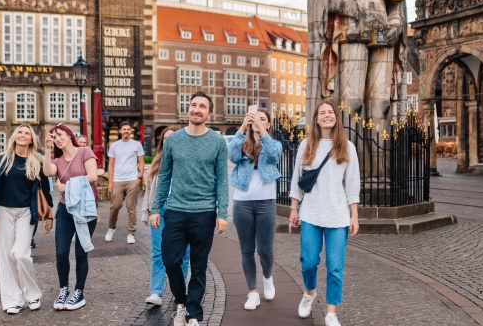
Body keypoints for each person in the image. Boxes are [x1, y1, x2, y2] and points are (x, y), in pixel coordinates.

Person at [150, 91, 229, 326]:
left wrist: (222, 213)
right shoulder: (173, 140)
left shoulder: (217, 141)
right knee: (171, 260)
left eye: (202, 106)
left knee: (198, 265)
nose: (196, 109)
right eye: (193, 105)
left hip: (204, 212)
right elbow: (163, 176)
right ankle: (182, 302)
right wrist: (155, 208)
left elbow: (222, 180)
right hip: (175, 209)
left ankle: (193, 314)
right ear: (188, 109)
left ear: (209, 113)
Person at [289, 101, 360, 326]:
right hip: (310, 213)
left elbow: (352, 184)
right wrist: (293, 207)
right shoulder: (306, 145)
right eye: (322, 113)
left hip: (338, 216)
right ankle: (310, 292)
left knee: (335, 266)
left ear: (336, 118)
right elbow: (296, 179)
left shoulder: (347, 146)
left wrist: (354, 214)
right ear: (316, 119)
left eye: (330, 112)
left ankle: (331, 312)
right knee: (308, 262)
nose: (327, 115)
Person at [0, 124, 53, 314]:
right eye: (20, 132)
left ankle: (32, 295)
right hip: (3, 211)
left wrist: (49, 216)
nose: (23, 135)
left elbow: (45, 189)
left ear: (32, 139)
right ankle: (13, 299)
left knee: (21, 254)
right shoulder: (2, 160)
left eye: (27, 133)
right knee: (6, 257)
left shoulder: (36, 161)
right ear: (14, 137)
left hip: (26, 212)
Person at [228, 108, 282, 310]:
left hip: (266, 202)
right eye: (255, 119)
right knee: (247, 250)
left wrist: (262, 132)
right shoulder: (243, 143)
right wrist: (243, 127)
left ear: (268, 124)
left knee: (265, 250)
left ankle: (267, 277)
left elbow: (275, 156)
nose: (258, 122)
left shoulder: (273, 144)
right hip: (242, 202)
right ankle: (252, 292)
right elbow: (232, 155)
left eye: (263, 119)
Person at [44, 123, 99, 311]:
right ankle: (64, 289)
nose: (58, 139)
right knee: (61, 252)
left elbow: (93, 176)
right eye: (54, 137)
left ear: (69, 134)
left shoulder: (84, 151)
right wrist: (46, 149)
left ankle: (79, 292)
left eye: (60, 135)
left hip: (85, 208)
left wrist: (68, 186)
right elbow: (46, 172)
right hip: (65, 209)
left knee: (81, 252)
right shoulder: (58, 161)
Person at [140, 126, 189, 308]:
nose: (169, 141)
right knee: (158, 252)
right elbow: (148, 191)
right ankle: (156, 292)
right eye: (166, 139)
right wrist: (148, 212)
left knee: (183, 254)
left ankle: (180, 294)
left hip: (182, 209)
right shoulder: (157, 163)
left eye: (172, 138)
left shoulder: (186, 161)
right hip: (159, 210)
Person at [105, 121, 145, 244]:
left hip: (132, 179)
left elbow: (141, 162)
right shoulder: (114, 146)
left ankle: (131, 233)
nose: (126, 131)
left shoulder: (136, 145)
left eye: (128, 129)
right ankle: (111, 228)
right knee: (115, 206)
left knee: (131, 207)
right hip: (117, 179)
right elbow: (110, 165)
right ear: (120, 131)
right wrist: (110, 182)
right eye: (124, 129)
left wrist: (139, 177)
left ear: (130, 131)